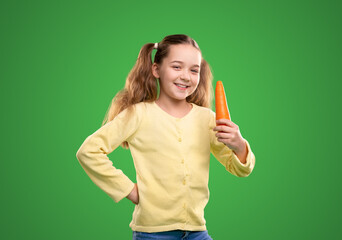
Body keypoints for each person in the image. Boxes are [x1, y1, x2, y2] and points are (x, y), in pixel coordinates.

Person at [76, 34, 256, 240]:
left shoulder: (207, 119)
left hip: (197, 231)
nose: (186, 76)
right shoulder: (137, 114)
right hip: (152, 234)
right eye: (177, 67)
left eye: (194, 70)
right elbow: (88, 152)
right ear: (156, 70)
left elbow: (240, 170)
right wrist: (128, 190)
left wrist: (239, 145)